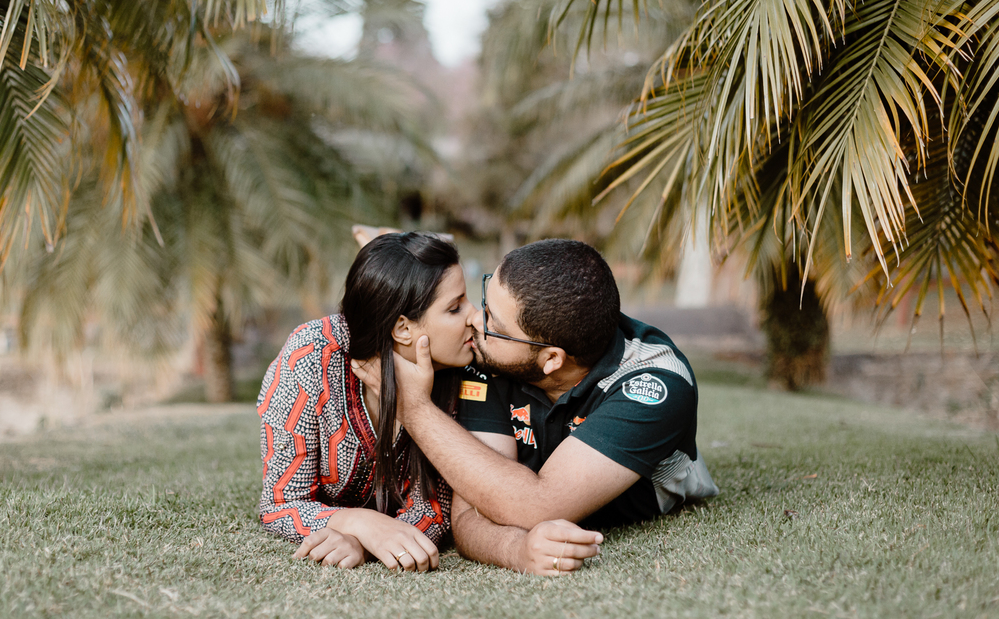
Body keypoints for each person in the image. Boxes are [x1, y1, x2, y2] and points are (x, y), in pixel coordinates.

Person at [388, 238, 718, 575]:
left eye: (493, 322)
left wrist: (415, 409)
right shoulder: (492, 356)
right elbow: (469, 512)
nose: (475, 320)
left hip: (635, 506)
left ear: (551, 360)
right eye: (486, 300)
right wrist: (516, 549)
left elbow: (536, 507)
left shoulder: (654, 383)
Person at [256, 232, 477, 571]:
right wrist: (360, 524)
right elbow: (281, 503)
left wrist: (363, 543)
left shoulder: (465, 374)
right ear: (403, 328)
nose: (474, 317)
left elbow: (433, 509)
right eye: (455, 307)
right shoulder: (310, 358)